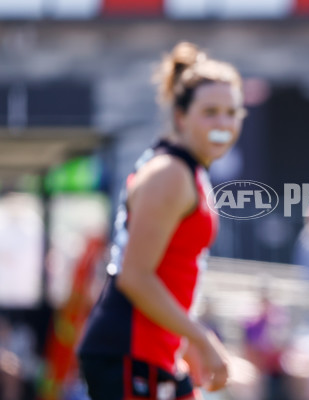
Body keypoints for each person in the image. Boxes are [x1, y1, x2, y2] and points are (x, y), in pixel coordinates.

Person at [77, 42, 246, 400]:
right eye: (210, 112)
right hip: (130, 350)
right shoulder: (170, 173)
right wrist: (202, 339)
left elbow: (171, 272)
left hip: (154, 351)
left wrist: (183, 346)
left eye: (231, 113)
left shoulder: (189, 170)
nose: (223, 124)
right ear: (181, 116)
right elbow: (134, 277)